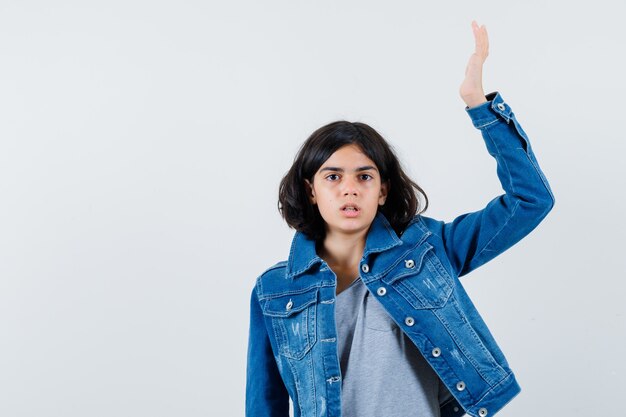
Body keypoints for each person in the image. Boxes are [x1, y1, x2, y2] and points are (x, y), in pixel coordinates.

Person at [245, 21, 555, 417]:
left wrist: (479, 105)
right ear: (311, 190)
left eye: (365, 176)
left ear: (383, 190)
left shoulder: (428, 249)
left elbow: (530, 200)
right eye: (333, 176)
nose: (349, 189)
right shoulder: (273, 291)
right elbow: (263, 404)